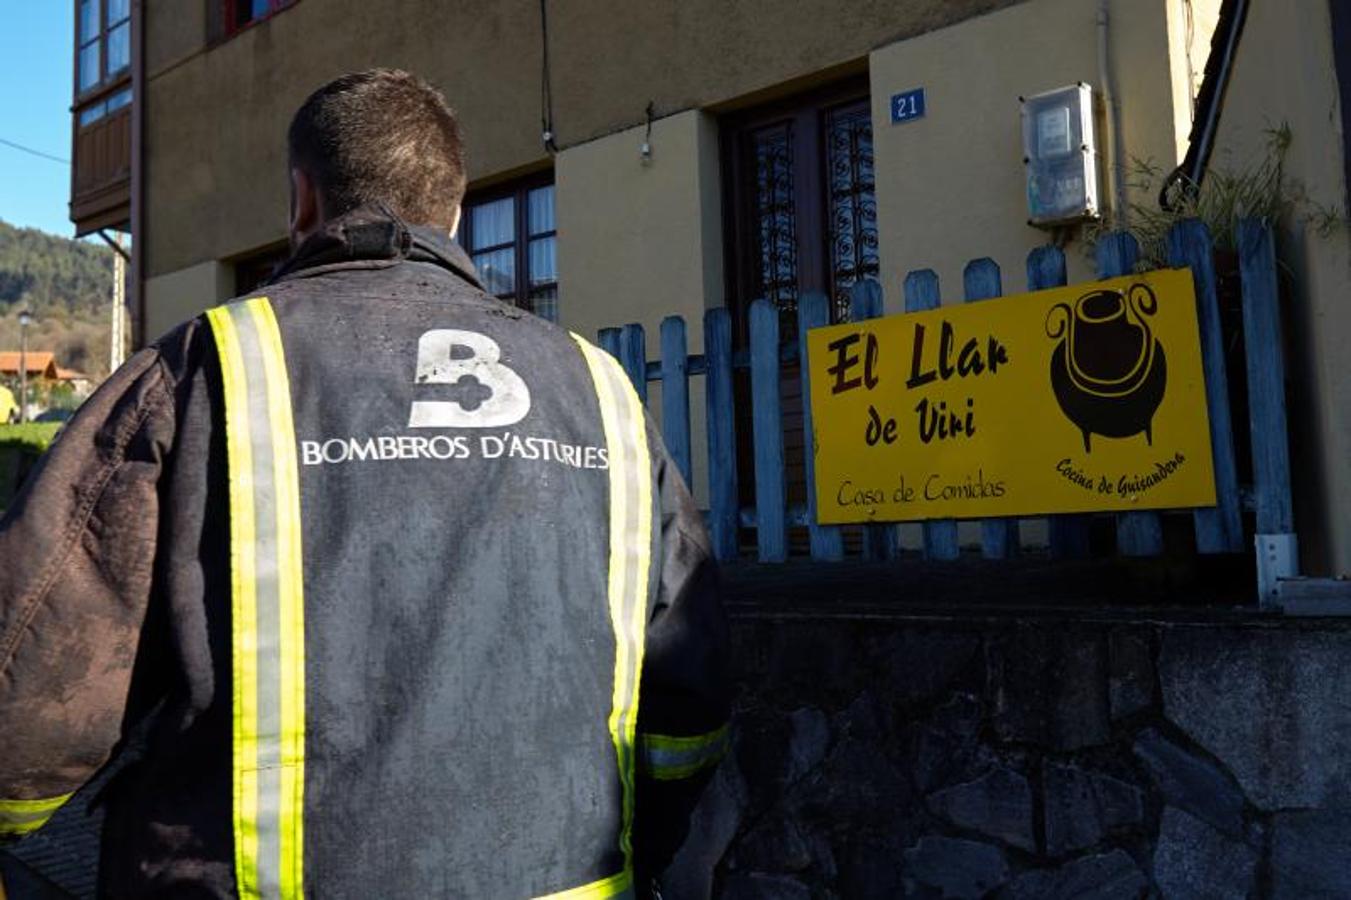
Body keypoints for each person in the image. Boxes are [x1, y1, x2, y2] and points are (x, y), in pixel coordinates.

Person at [0, 69, 729, 899]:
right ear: (453, 212)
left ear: (302, 201)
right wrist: (645, 842)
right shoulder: (601, 392)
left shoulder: (203, 372)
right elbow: (688, 695)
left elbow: (32, 681)